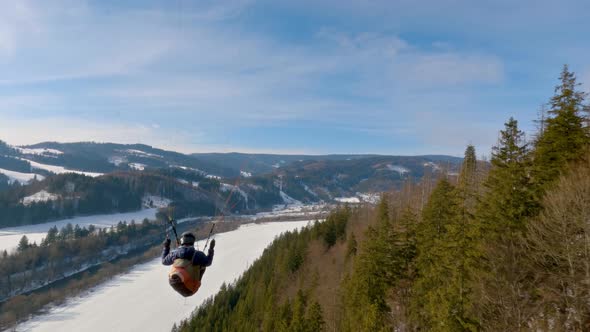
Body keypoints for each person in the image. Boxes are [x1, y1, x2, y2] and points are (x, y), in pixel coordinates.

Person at [162, 231, 215, 297]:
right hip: (190, 288)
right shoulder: (198, 254)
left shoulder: (175, 253)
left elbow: (164, 261)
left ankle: (179, 276)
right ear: (192, 242)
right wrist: (211, 249)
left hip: (174, 283)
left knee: (180, 267)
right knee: (202, 266)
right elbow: (208, 262)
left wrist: (166, 247)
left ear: (182, 241)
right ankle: (183, 277)